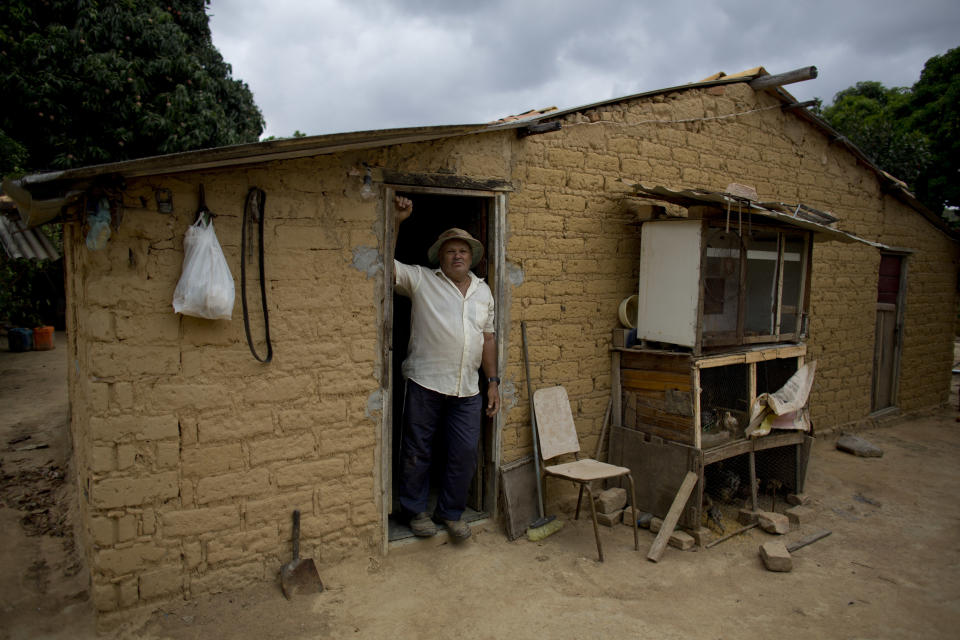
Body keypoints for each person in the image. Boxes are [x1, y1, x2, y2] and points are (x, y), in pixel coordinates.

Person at [392, 195, 500, 540]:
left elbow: (488, 339)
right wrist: (397, 221)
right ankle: (414, 511)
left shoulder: (484, 292)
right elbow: (384, 265)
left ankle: (451, 513)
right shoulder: (422, 280)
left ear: (472, 258)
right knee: (417, 450)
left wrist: (493, 382)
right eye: (451, 250)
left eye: (464, 251)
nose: (458, 255)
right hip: (425, 381)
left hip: (468, 388)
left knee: (464, 452)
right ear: (440, 256)